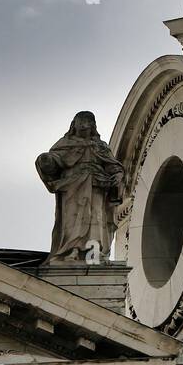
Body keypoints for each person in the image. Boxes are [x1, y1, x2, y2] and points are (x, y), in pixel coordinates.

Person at [35, 111, 125, 263]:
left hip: (97, 184)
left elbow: (112, 166)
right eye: (81, 123)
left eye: (88, 124)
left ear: (93, 127)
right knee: (72, 219)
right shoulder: (64, 144)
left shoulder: (100, 146)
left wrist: (117, 174)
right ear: (74, 125)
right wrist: (46, 160)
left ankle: (94, 254)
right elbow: (54, 160)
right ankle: (71, 251)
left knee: (95, 218)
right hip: (73, 186)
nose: (84, 126)